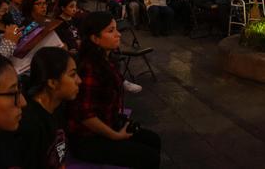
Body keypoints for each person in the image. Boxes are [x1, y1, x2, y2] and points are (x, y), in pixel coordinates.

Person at [68, 12, 161, 168]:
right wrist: (115, 135)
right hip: (88, 138)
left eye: (116, 29)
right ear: (95, 38)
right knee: (149, 157)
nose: (118, 34)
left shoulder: (106, 58)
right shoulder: (90, 68)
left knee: (153, 140)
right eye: (110, 31)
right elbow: (85, 116)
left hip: (109, 122)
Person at [16, 47, 80, 169]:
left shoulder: (58, 106)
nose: (79, 80)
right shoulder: (30, 124)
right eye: (72, 75)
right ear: (52, 83)